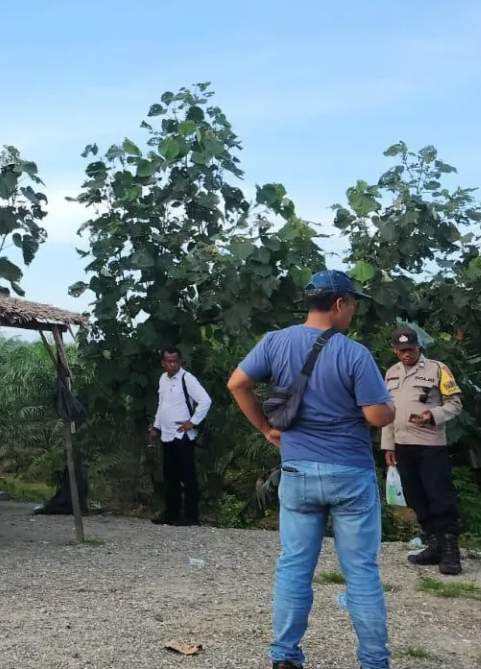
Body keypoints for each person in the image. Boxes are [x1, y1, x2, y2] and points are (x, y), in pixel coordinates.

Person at [227, 270, 396, 669]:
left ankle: (285, 657)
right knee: (361, 572)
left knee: (294, 566)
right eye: (353, 303)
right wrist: (388, 408)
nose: (353, 310)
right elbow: (376, 415)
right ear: (339, 304)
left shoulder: (274, 342)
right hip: (349, 474)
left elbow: (237, 384)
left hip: (298, 472)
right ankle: (374, 662)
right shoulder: (354, 353)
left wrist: (267, 429)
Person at [383, 325, 464, 575]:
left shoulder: (437, 369)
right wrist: (387, 445)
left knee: (439, 495)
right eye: (401, 350)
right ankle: (434, 544)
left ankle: (451, 549)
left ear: (418, 347)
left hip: (430, 445)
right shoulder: (390, 373)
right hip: (402, 445)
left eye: (410, 348)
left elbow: (455, 404)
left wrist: (433, 415)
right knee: (415, 496)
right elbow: (387, 412)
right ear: (394, 350)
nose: (406, 354)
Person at [148, 347, 212, 526]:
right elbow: (162, 404)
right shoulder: (163, 379)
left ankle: (191, 516)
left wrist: (192, 422)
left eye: (175, 360)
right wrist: (155, 427)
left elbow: (205, 401)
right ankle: (171, 513)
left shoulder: (187, 378)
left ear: (180, 361)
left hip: (183, 436)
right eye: (168, 361)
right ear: (163, 363)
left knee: (188, 476)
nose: (172, 364)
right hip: (167, 434)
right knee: (170, 476)